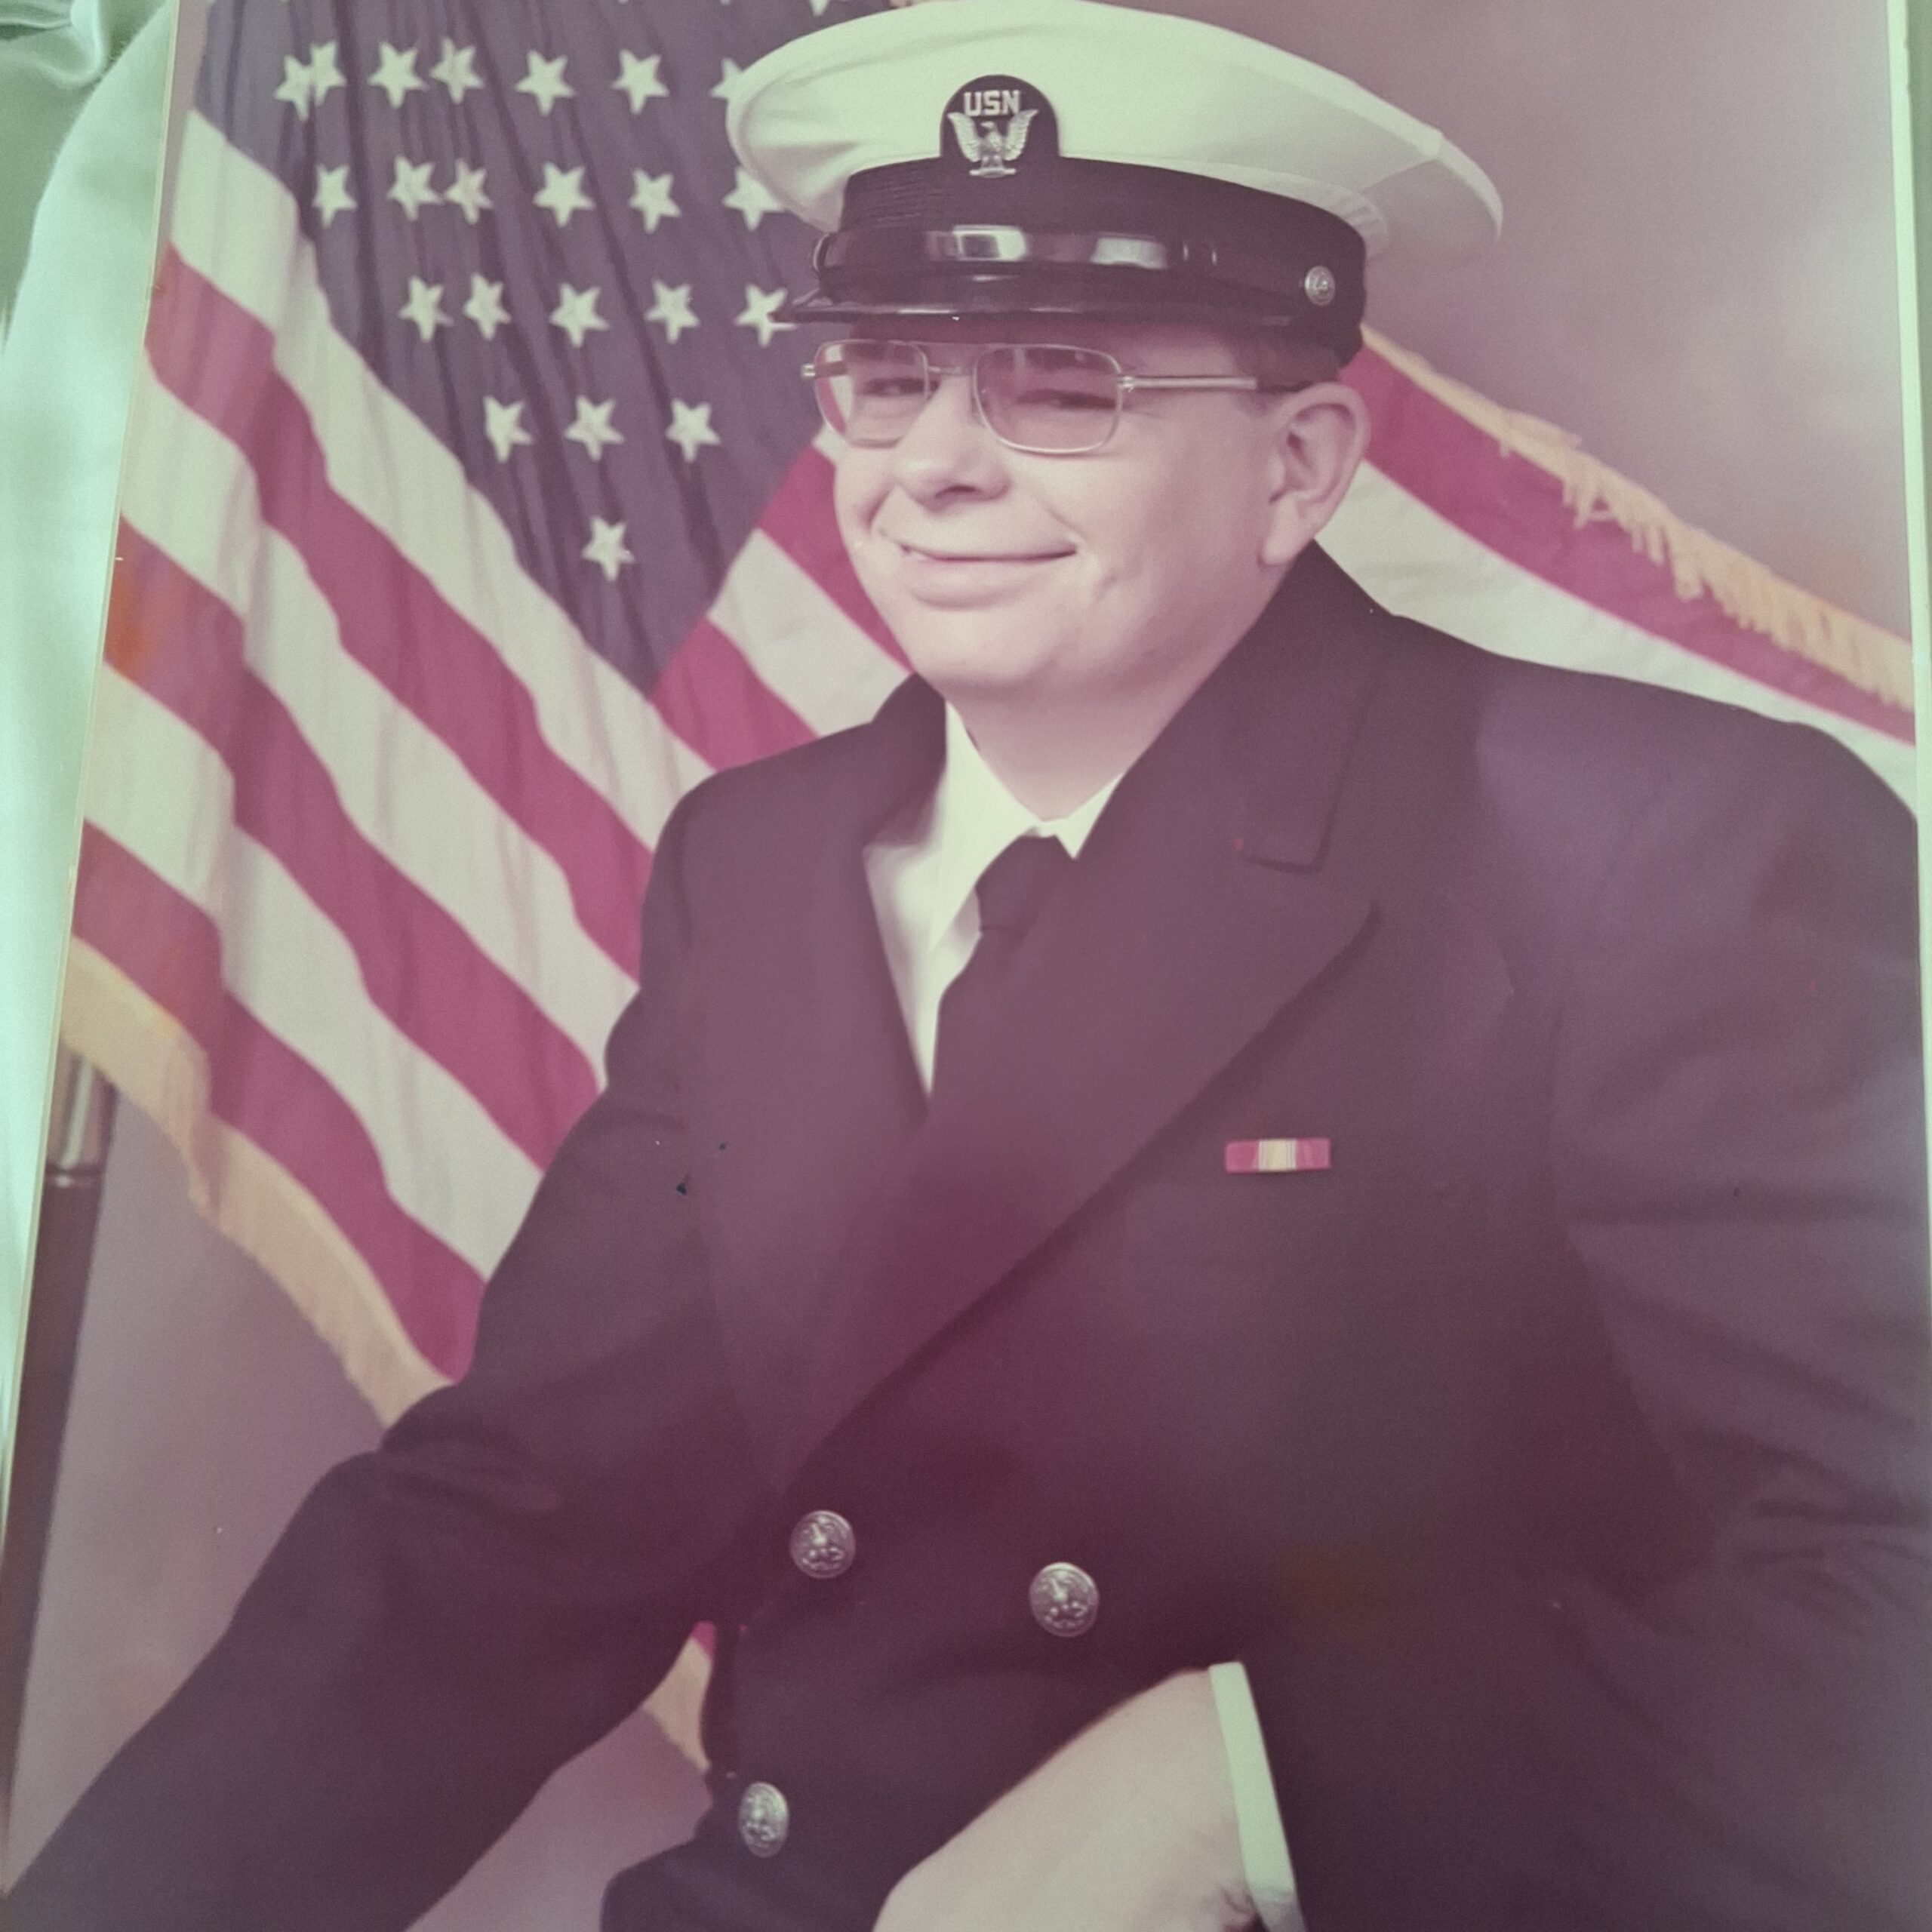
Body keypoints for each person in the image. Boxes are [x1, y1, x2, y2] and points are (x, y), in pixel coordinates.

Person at [10, 2, 1931, 1927]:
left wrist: (1243, 1780)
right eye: (881, 374)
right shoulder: (755, 869)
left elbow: (1894, 1593)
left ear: (1300, 462)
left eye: (1058, 382)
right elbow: (522, 1528)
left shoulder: (1655, 852)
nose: (929, 466)